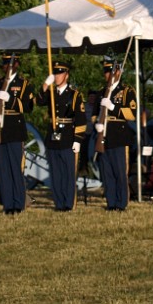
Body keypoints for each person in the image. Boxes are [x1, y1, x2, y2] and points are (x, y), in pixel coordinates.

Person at [0, 53, 36, 215]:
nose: (6, 66)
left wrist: (10, 100)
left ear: (16, 65)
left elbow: (29, 106)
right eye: (5, 63)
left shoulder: (22, 84)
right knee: (4, 169)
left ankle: (18, 203)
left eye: (9, 63)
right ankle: (8, 204)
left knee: (16, 168)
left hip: (15, 130)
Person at [37, 58, 87, 211]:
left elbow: (80, 119)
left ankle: (68, 203)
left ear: (67, 75)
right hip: (53, 137)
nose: (57, 76)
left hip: (67, 137)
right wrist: (46, 84)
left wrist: (77, 139)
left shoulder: (74, 95)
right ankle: (59, 203)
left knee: (68, 173)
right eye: (55, 73)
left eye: (60, 73)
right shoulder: (51, 94)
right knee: (56, 173)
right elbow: (38, 101)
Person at [95, 56, 137, 211]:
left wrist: (113, 107)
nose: (108, 75)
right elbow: (94, 114)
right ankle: (111, 202)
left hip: (119, 136)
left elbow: (132, 114)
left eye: (111, 71)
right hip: (103, 135)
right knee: (107, 172)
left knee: (120, 171)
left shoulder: (126, 91)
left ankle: (122, 203)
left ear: (118, 72)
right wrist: (97, 124)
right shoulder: (101, 92)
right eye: (106, 71)